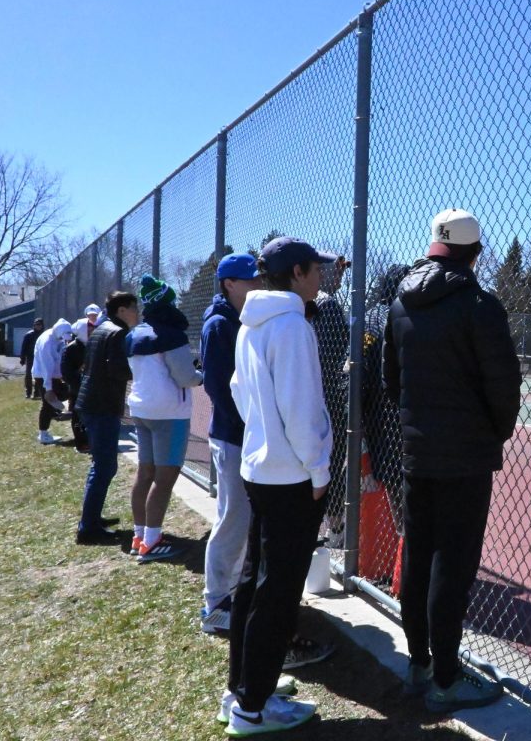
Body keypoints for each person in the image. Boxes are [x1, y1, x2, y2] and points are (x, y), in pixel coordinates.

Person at [384, 208, 521, 713]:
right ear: (475, 254)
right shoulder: (480, 304)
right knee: (453, 564)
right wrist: (493, 433)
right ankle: (446, 677)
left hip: (416, 450)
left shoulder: (401, 302)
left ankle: (418, 663)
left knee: (418, 555)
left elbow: (392, 382)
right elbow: (504, 385)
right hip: (465, 456)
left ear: (434, 246)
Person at [223, 236, 337, 735]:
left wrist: (267, 436)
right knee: (278, 593)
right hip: (291, 477)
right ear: (296, 273)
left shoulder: (252, 322)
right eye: (315, 269)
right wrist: (318, 469)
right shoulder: (291, 325)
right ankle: (253, 708)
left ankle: (242, 689)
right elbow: (301, 407)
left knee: (254, 582)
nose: (321, 277)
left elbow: (238, 391)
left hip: (261, 470)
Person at [199, 253, 261, 634]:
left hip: (243, 435)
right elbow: (219, 388)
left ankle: (231, 591)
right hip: (232, 436)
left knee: (243, 519)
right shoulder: (220, 323)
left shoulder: (239, 318)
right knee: (233, 518)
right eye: (249, 280)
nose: (257, 285)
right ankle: (216, 603)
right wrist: (252, 422)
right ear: (229, 284)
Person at [126, 274, 201, 563]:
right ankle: (152, 542)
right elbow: (185, 377)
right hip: (169, 413)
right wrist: (200, 376)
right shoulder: (171, 334)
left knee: (145, 473)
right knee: (165, 477)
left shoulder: (134, 334)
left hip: (141, 410)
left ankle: (140, 535)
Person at [74, 291, 139, 545]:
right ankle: (88, 528)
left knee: (101, 466)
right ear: (121, 311)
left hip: (92, 404)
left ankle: (91, 519)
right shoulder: (117, 333)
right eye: (133, 307)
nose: (137, 312)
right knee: (104, 467)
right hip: (101, 407)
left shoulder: (101, 329)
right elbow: (116, 369)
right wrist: (137, 367)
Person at [362, 263, 410, 528]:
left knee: (394, 494)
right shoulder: (401, 315)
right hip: (396, 418)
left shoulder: (372, 317)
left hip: (378, 420)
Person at [311, 255, 350, 541]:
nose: (340, 276)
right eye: (335, 270)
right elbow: (333, 360)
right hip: (330, 400)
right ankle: (335, 527)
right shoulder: (329, 305)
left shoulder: (306, 303)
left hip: (314, 396)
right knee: (332, 463)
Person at [31, 318, 73, 444]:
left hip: (53, 376)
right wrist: (48, 389)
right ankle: (43, 434)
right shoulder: (47, 342)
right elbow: (46, 367)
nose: (64, 339)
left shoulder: (57, 338)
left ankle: (55, 411)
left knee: (64, 394)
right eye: (63, 336)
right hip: (44, 376)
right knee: (47, 404)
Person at [60, 330, 90, 452]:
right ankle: (81, 443)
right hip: (76, 388)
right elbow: (66, 372)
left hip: (87, 387)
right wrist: (79, 377)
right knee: (78, 417)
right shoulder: (71, 348)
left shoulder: (88, 346)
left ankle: (87, 441)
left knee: (86, 417)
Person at [19, 318, 44, 399]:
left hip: (40, 358)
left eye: (39, 324)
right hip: (30, 357)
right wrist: (22, 358)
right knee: (29, 375)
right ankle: (28, 392)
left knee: (39, 375)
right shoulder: (29, 335)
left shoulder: (44, 335)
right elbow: (24, 347)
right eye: (36, 324)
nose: (38, 326)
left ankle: (37, 392)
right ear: (34, 325)